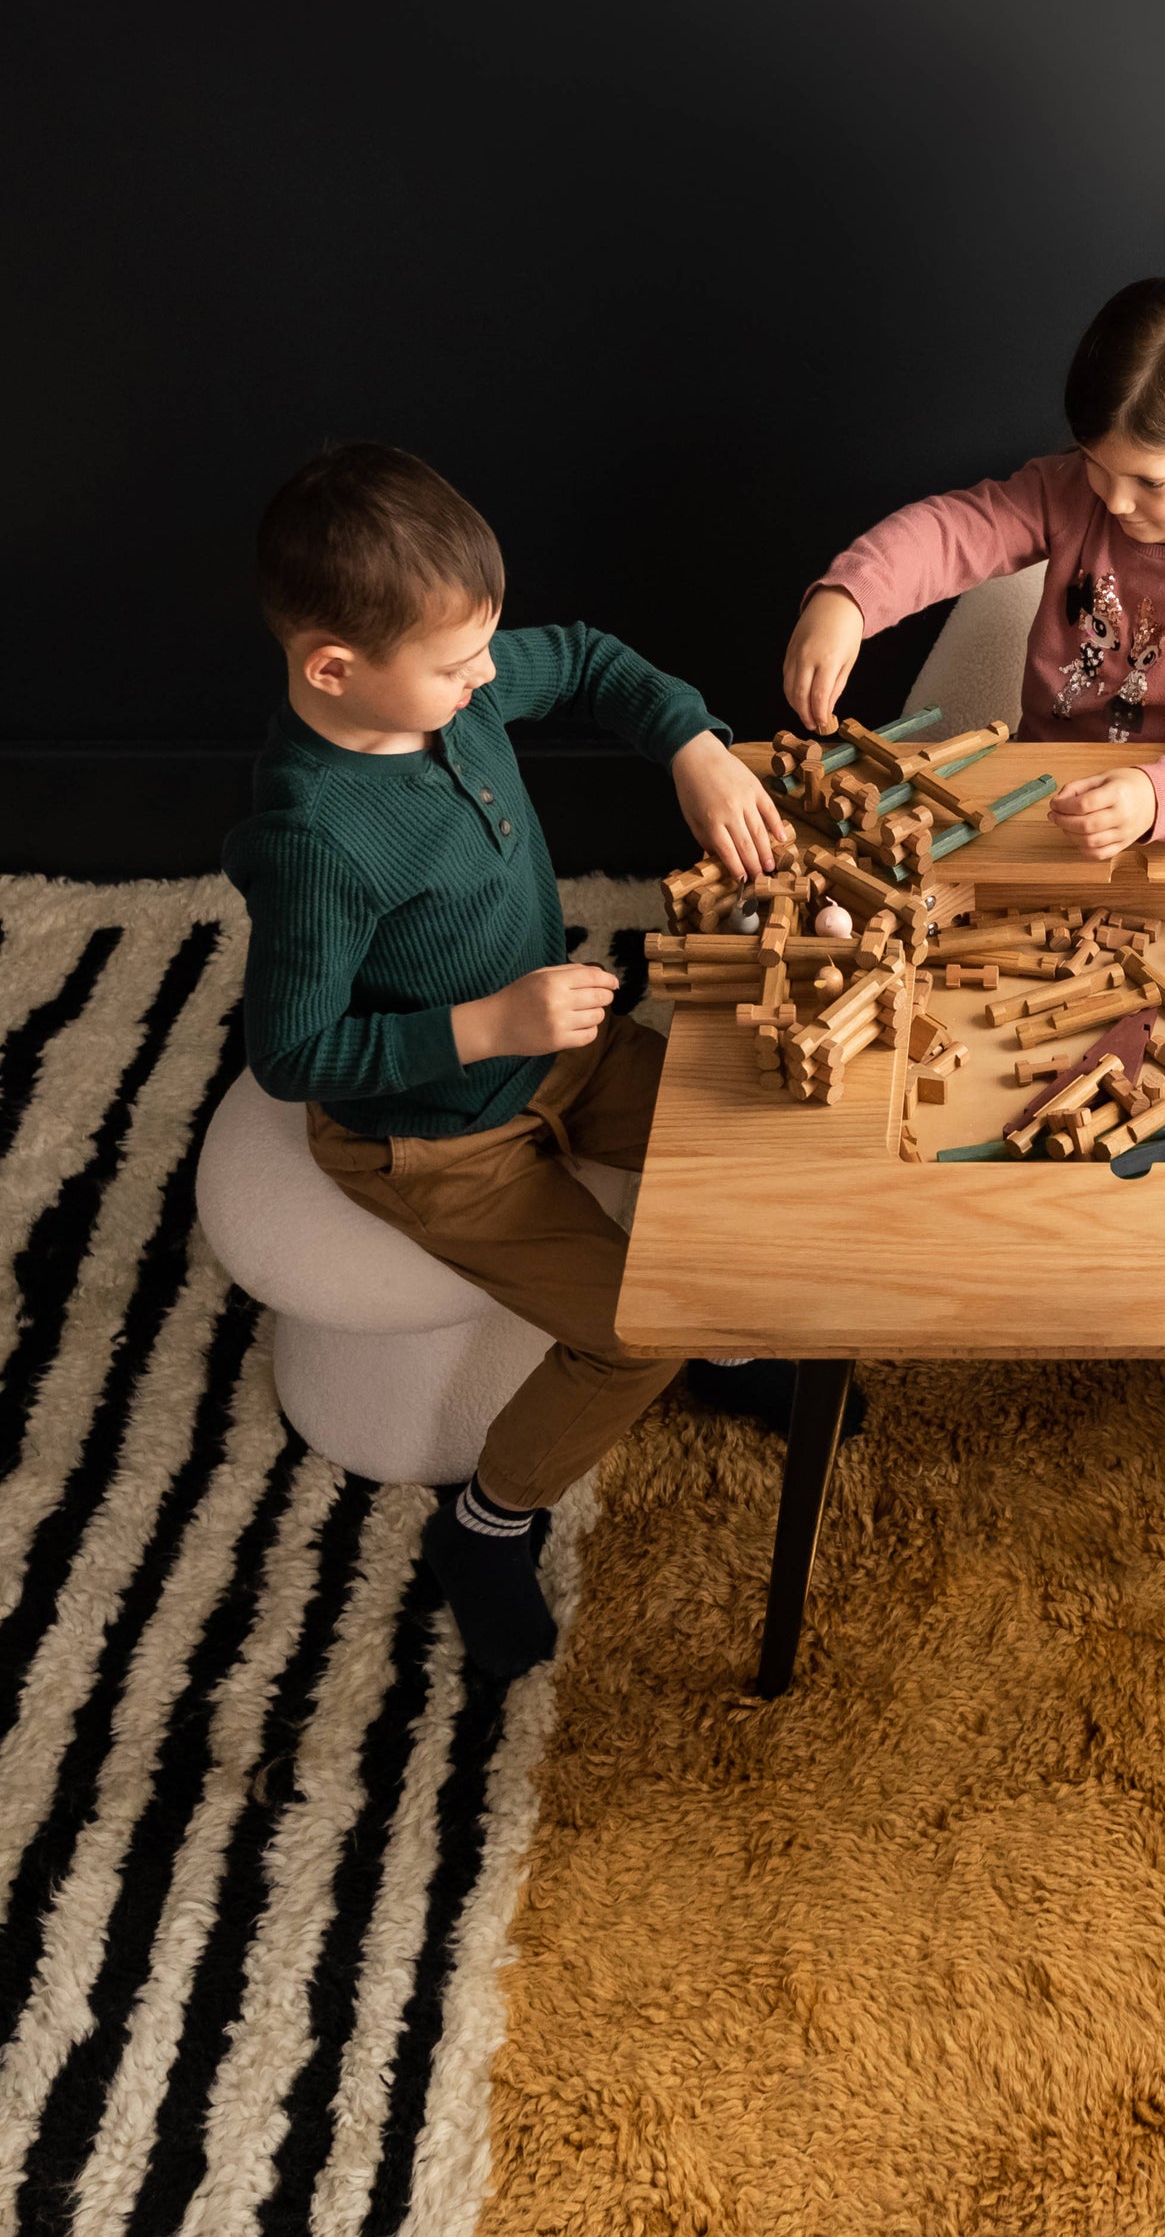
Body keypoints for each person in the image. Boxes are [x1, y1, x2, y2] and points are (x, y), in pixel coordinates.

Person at [225, 442, 799, 1682]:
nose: (488, 674)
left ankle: (736, 1348)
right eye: (455, 663)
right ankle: (487, 1526)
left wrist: (691, 744)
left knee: (756, 1136)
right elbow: (292, 1053)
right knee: (630, 1333)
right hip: (434, 1139)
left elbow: (588, 657)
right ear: (334, 669)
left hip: (562, 1055)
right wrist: (486, 1026)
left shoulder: (454, 687)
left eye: (484, 647)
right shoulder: (313, 837)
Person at [783, 277, 1165, 860]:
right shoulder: (1067, 495)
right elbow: (953, 531)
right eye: (1095, 463)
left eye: (1151, 482)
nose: (1114, 501)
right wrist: (850, 598)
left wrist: (1156, 797)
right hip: (1041, 799)